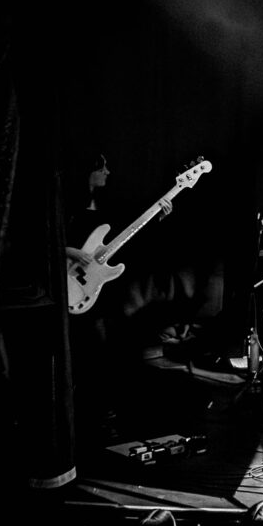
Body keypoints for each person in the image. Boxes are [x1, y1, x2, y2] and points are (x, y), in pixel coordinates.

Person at [64, 154, 172, 451]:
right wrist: (72, 252)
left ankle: (103, 418)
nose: (108, 172)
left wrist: (159, 217)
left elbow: (131, 237)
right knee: (81, 356)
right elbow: (42, 242)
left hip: (100, 291)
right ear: (88, 171)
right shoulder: (66, 206)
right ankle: (78, 421)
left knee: (106, 355)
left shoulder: (109, 205)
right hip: (70, 286)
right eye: (102, 168)